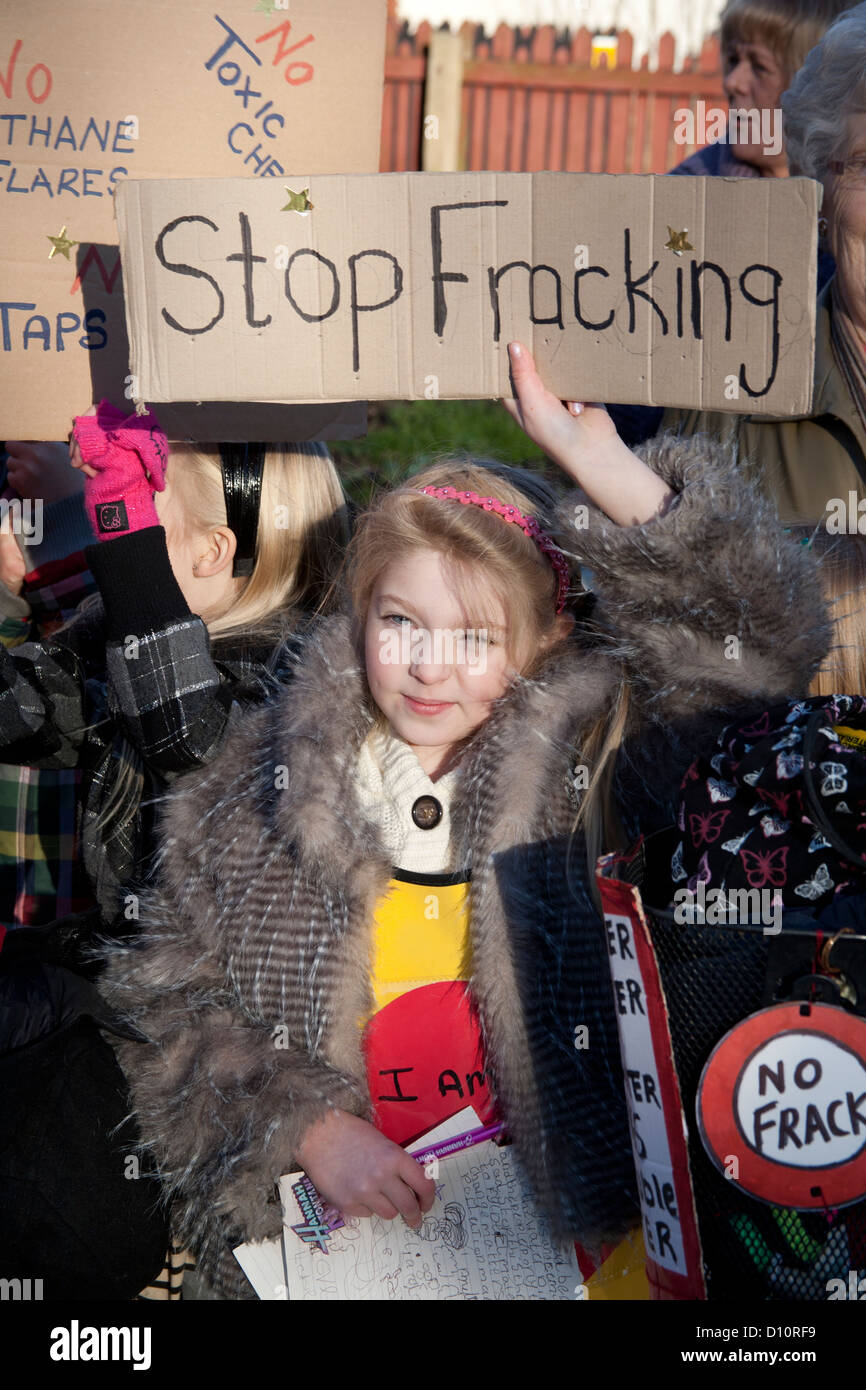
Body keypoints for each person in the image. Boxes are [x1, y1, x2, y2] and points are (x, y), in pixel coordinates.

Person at [98, 342, 832, 1299]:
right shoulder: (258, 787)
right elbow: (172, 1009)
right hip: (354, 1264)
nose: (429, 667)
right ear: (358, 615)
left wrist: (607, 469)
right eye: (400, 622)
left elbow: (763, 657)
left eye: (475, 637)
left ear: (544, 639)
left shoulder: (600, 771)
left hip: (586, 1265)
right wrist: (306, 1129)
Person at [0, 405, 349, 1300]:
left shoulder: (284, 674)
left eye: (138, 521)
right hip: (112, 990)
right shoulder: (119, 642)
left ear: (201, 555)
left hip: (221, 1043)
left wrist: (121, 530)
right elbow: (27, 706)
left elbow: (184, 738)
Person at [659, 1, 866, 522]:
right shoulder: (725, 405)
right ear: (820, 185)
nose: (733, 82)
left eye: (759, 64)